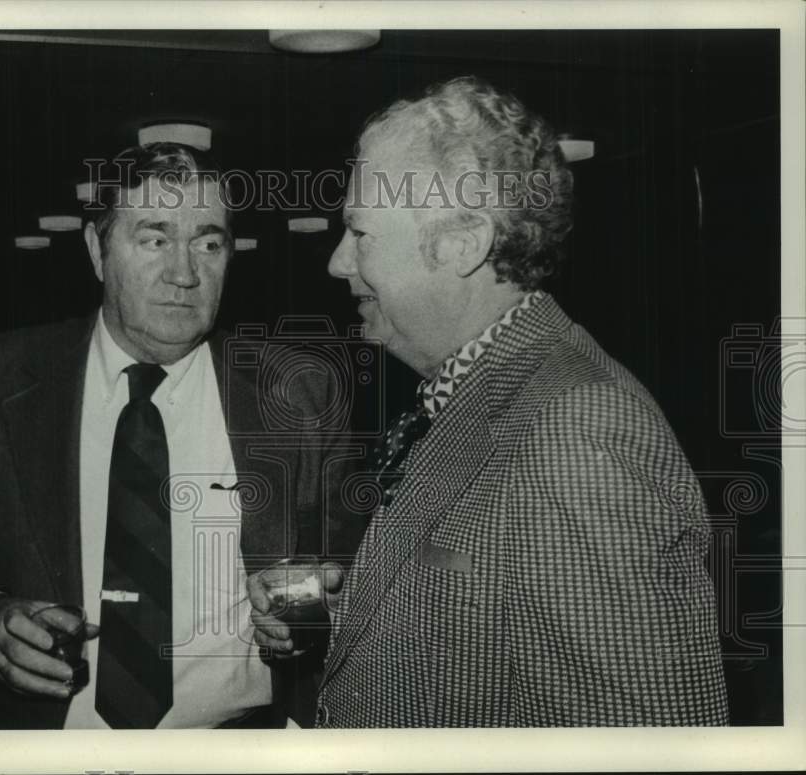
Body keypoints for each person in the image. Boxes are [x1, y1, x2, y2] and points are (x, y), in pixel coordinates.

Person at [250, 75, 729, 726]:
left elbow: (637, 745)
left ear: (464, 242)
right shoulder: (476, 383)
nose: (338, 262)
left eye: (359, 234)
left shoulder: (576, 425)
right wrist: (351, 609)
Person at [0, 142, 359, 729]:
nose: (184, 272)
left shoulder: (298, 391)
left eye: (208, 242)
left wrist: (300, 613)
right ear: (97, 250)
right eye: (154, 239)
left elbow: (344, 557)